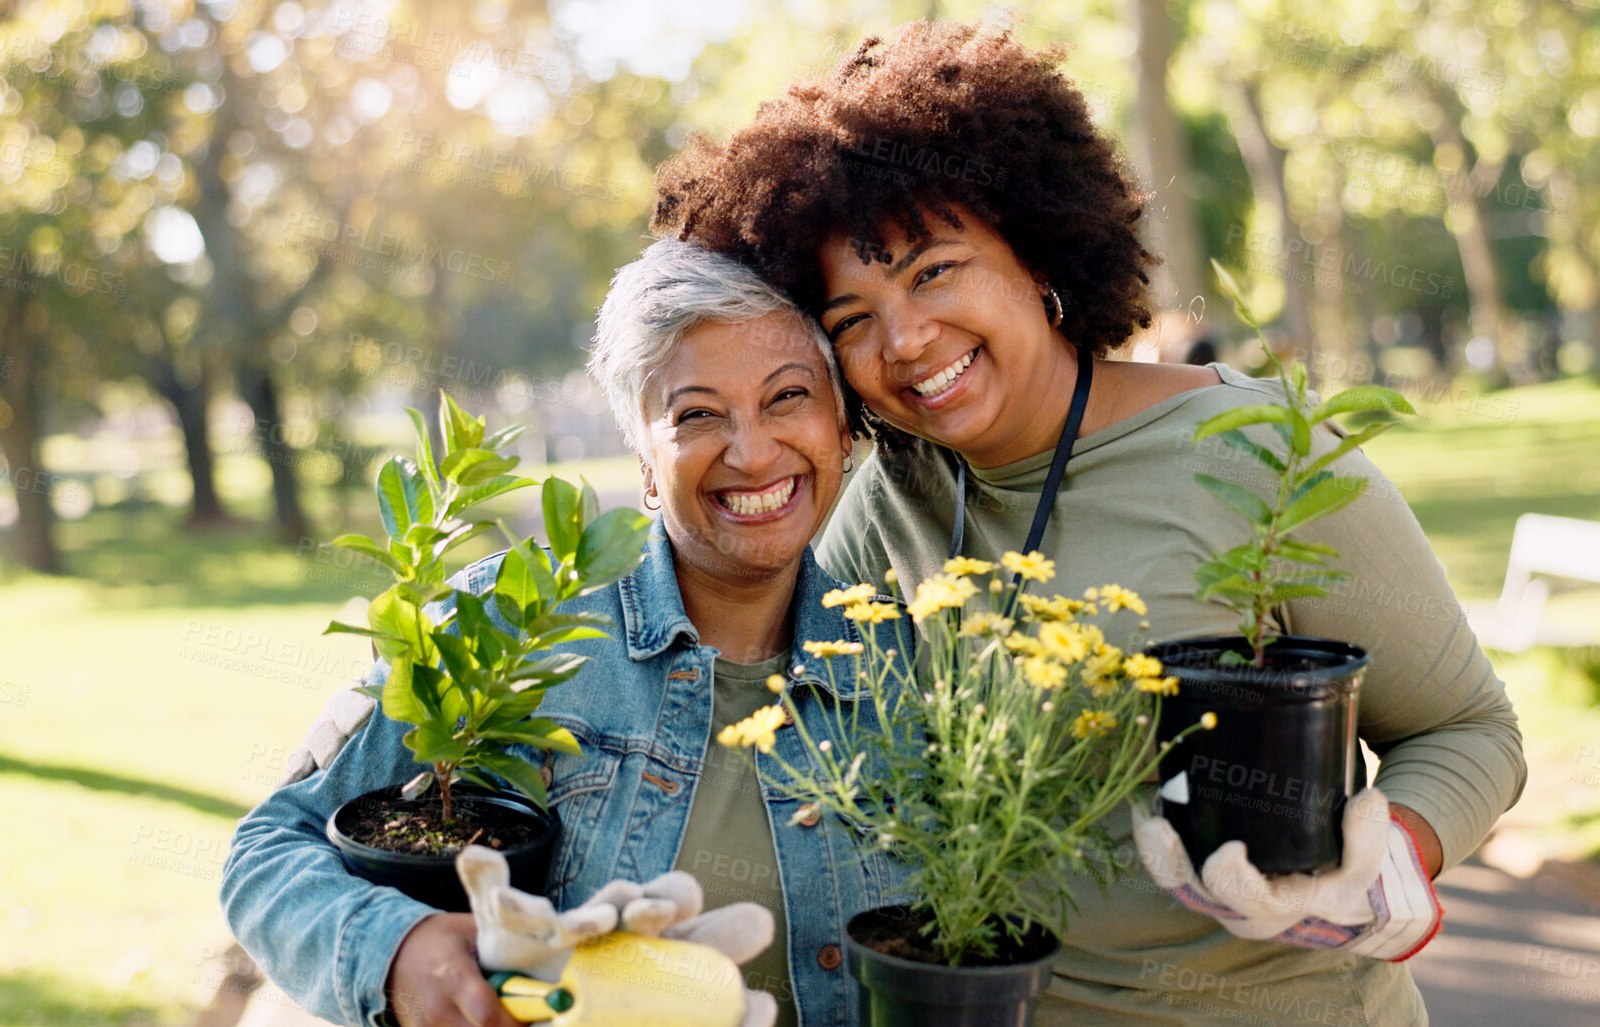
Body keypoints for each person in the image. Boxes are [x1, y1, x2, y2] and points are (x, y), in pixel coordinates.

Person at [652, 20, 1525, 1025]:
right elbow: (767, 725)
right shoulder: (891, 498)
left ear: (1035, 251)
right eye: (851, 320)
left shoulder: (1259, 451)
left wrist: (1384, 862)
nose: (905, 338)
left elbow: (1470, 728)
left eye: (934, 270)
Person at [221, 240, 908, 1027]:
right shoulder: (509, 618)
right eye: (695, 414)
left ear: (841, 425)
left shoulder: (908, 660)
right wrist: (399, 950)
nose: (750, 452)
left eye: (786, 397)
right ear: (647, 461)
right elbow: (269, 854)